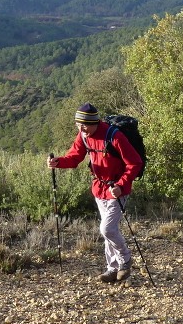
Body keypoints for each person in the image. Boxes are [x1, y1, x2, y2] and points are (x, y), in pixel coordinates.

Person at [48, 103, 143, 283]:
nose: (81, 128)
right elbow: (74, 157)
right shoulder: (84, 136)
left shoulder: (115, 137)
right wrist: (57, 162)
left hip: (117, 190)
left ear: (95, 122)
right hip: (99, 189)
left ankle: (125, 260)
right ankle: (112, 269)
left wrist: (121, 185)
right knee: (109, 231)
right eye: (78, 124)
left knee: (107, 228)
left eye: (84, 125)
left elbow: (135, 163)